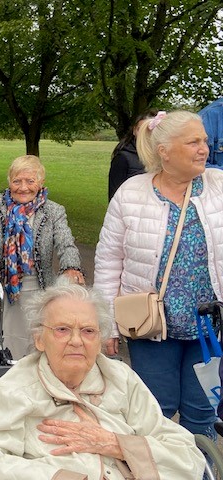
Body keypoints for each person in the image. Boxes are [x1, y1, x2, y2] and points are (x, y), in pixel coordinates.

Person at [0, 279, 205, 480]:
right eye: (62, 329)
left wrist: (116, 444)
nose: (76, 341)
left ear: (100, 340)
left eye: (88, 331)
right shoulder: (17, 388)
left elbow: (187, 456)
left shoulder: (121, 379)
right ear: (39, 339)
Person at [94, 110, 223, 439]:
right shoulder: (131, 193)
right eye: (193, 142)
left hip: (209, 329)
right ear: (164, 149)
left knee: (201, 415)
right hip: (150, 328)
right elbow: (110, 260)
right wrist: (106, 323)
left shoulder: (218, 185)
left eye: (204, 141)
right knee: (155, 414)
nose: (203, 149)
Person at [0, 155, 84, 360]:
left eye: (30, 181)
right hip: (0, 289)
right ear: (9, 181)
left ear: (41, 182)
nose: (23, 187)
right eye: (17, 181)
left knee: (35, 354)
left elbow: (66, 244)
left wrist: (71, 267)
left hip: (37, 292)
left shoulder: (54, 211)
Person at [108, 109, 158, 200]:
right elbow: (114, 196)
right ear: (134, 131)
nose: (144, 134)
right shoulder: (123, 157)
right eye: (140, 129)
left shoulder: (164, 156)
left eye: (149, 130)